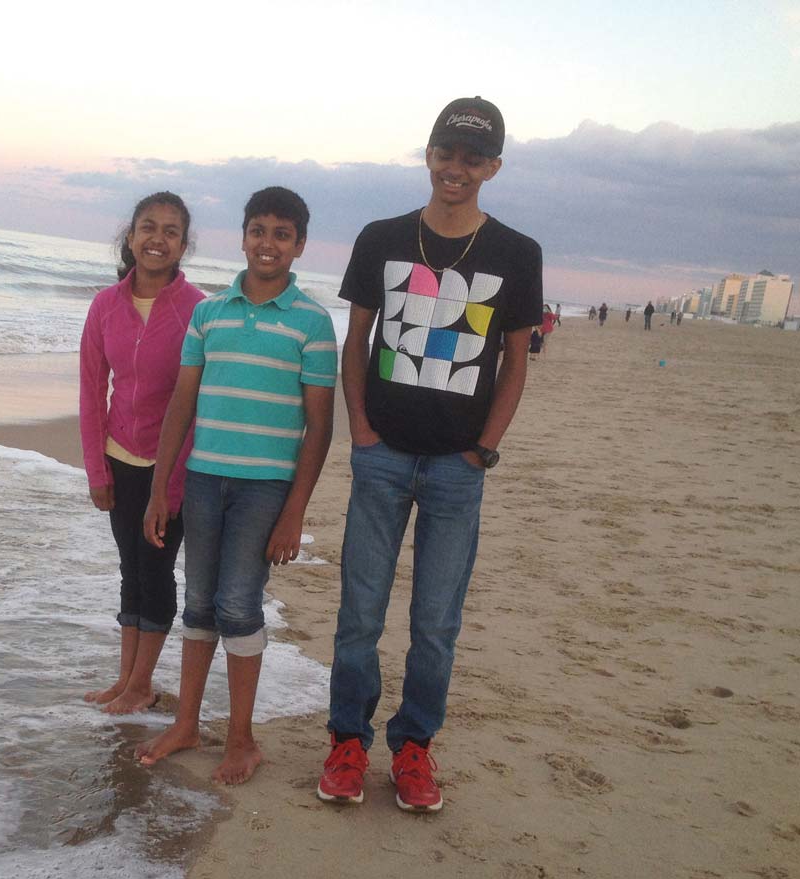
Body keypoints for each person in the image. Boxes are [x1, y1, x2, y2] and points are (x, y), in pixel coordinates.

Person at [317, 96, 542, 812]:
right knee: (360, 612)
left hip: (457, 467)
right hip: (382, 455)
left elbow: (514, 363)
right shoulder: (381, 237)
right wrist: (360, 429)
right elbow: (357, 341)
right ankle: (347, 741)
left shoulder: (516, 253)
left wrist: (484, 449)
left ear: (494, 167)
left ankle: (414, 747)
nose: (457, 168)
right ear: (429, 155)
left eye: (473, 157)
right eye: (447, 152)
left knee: (436, 624)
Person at [136, 187, 337, 784]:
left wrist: (294, 511)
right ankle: (189, 723)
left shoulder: (312, 323)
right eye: (258, 230)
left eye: (281, 233)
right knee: (198, 603)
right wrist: (158, 489)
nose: (267, 243)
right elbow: (182, 404)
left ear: (299, 245)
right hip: (201, 480)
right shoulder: (210, 313)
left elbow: (319, 429)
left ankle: (243, 739)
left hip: (263, 490)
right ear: (243, 235)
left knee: (238, 605)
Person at [79, 192, 205, 714]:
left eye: (170, 231)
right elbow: (91, 389)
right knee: (131, 570)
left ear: (182, 245)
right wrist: (96, 468)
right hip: (119, 460)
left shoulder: (199, 310)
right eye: (148, 227)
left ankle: (142, 684)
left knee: (156, 572)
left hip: (168, 469)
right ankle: (127, 678)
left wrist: (171, 488)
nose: (158, 238)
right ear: (130, 237)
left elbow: (197, 403)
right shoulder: (106, 305)